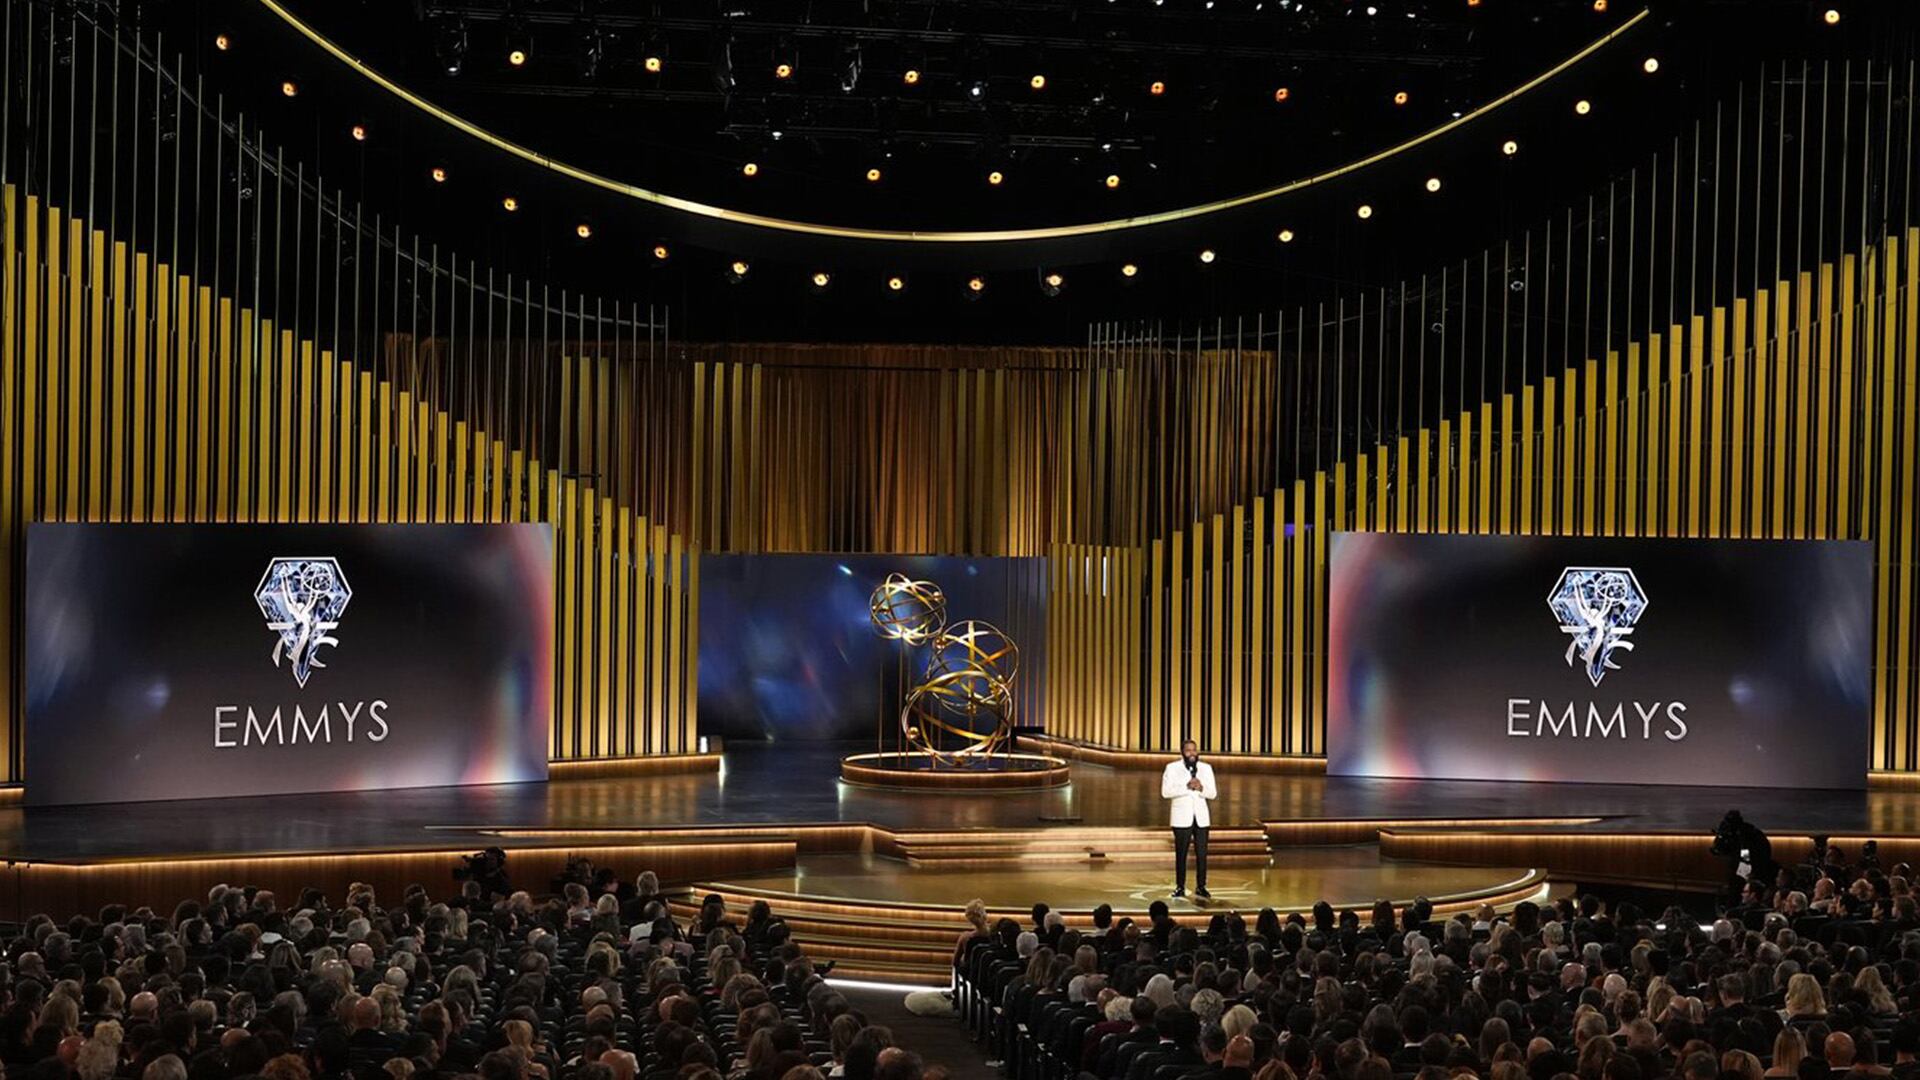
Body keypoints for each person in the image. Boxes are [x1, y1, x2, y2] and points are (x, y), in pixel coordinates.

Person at [1161, 738, 1218, 899]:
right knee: (1181, 854)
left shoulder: (1206, 768)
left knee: (1202, 855)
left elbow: (1213, 794)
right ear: (1182, 752)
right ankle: (1180, 887)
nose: (1192, 753)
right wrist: (1186, 787)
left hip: (1201, 818)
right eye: (1188, 750)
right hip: (1181, 818)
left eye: (1194, 750)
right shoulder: (1172, 768)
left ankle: (1201, 886)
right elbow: (1166, 792)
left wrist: (1201, 788)